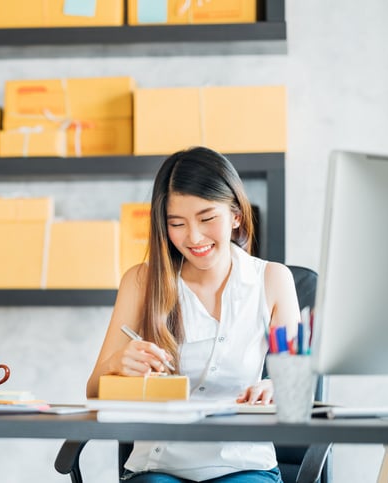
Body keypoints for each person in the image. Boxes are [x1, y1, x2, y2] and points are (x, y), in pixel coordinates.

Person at [86, 146, 300, 483]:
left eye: (207, 218)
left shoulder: (272, 280)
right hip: (158, 466)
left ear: (236, 215)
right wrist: (117, 365)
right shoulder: (142, 282)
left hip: (243, 463)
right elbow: (94, 391)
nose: (194, 237)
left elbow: (297, 385)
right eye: (177, 223)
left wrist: (276, 387)